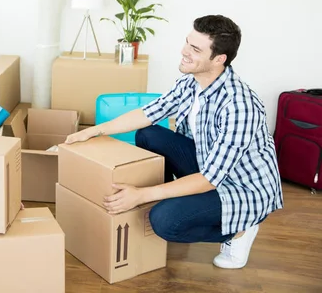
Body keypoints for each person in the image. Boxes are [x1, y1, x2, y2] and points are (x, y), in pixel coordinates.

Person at [65, 15, 283, 269]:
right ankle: (179, 202)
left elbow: (210, 179)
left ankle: (238, 231)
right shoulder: (191, 82)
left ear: (219, 59)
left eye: (195, 49)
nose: (184, 52)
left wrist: (143, 195)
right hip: (209, 166)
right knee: (148, 133)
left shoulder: (239, 106)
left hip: (242, 189)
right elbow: (149, 113)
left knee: (164, 222)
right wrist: (94, 131)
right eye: (187, 43)